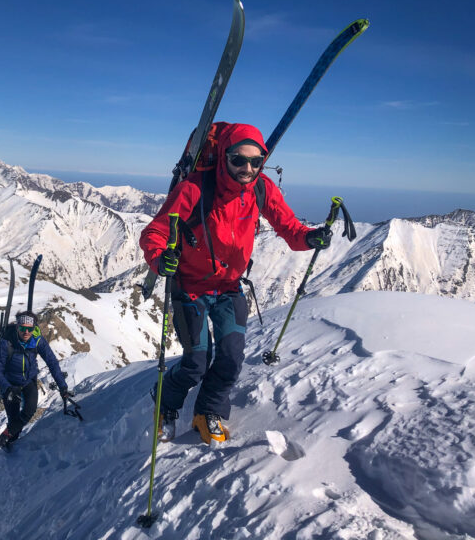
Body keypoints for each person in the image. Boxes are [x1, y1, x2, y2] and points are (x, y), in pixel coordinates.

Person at [139, 122, 333, 444]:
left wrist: (310, 237)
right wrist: (160, 259)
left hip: (229, 287)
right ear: (223, 157)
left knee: (230, 357)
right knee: (194, 363)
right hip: (191, 287)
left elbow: (288, 228)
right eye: (239, 160)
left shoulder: (261, 189)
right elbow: (155, 232)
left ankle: (208, 410)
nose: (247, 168)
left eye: (256, 162)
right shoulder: (195, 189)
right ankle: (166, 402)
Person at [0, 310, 69, 449]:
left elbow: (52, 362)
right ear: (17, 327)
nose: (26, 332)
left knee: (30, 409)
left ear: (34, 329)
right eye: (22, 328)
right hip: (10, 383)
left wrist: (63, 386)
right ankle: (8, 447)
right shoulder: (6, 342)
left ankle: (6, 437)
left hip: (28, 381)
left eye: (30, 329)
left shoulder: (37, 340)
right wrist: (7, 388)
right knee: (14, 420)